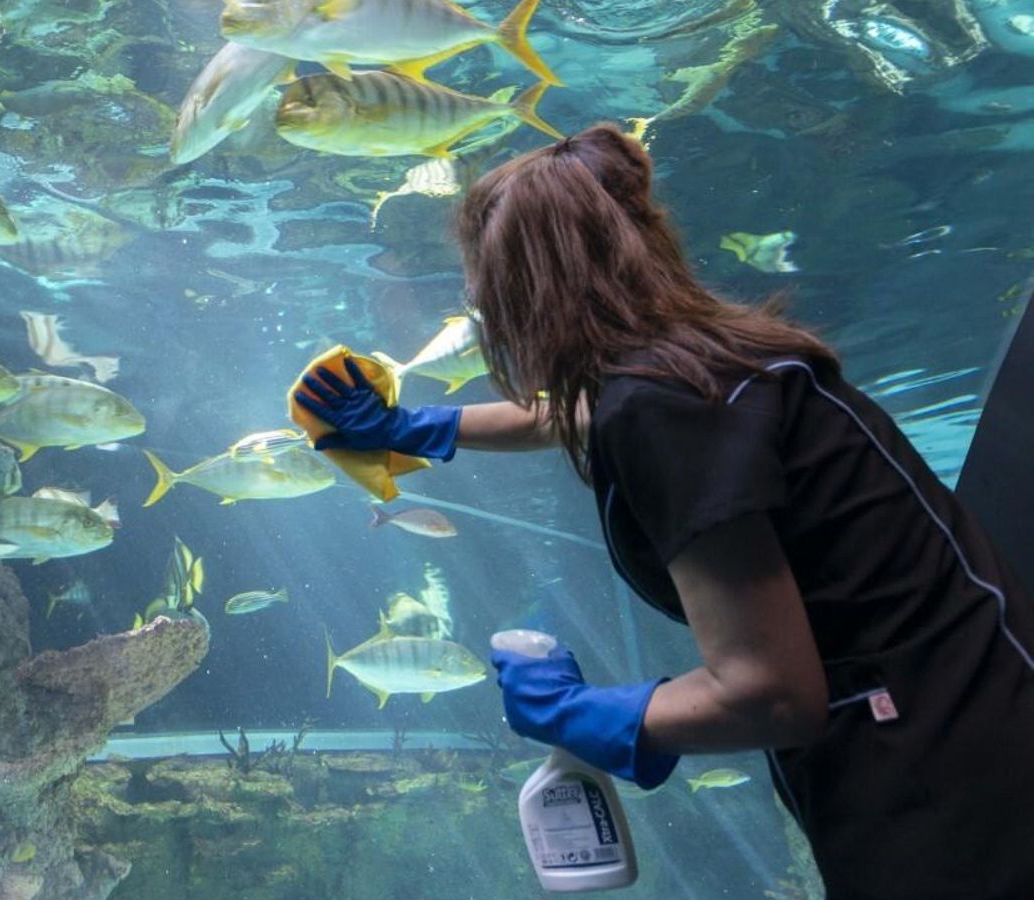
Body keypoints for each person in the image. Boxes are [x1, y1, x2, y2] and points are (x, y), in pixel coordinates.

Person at [293, 123, 1034, 899]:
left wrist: (582, 713)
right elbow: (578, 414)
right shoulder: (706, 363)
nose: (475, 300)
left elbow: (770, 693)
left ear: (530, 288)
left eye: (483, 278)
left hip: (942, 791)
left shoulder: (667, 410)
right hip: (991, 720)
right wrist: (418, 429)